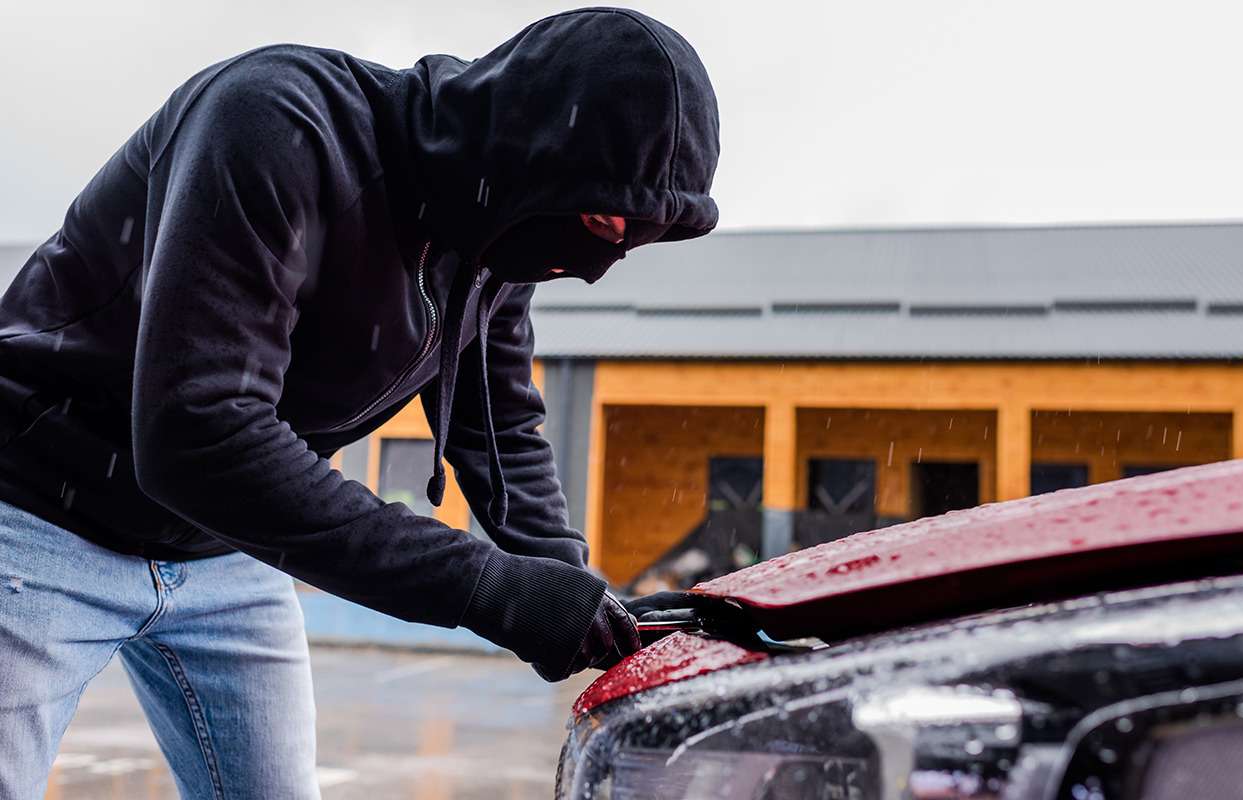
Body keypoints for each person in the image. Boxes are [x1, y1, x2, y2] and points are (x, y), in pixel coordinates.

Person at [0, 6, 719, 797]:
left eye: (635, 240)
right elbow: (198, 434)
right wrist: (488, 587)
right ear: (530, 144)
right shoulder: (278, 124)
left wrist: (570, 593)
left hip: (224, 555)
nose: (597, 265)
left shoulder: (501, 243)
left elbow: (501, 424)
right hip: (35, 519)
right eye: (601, 220)